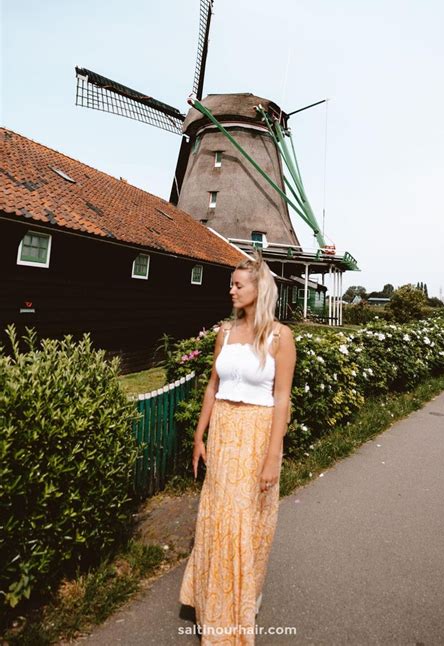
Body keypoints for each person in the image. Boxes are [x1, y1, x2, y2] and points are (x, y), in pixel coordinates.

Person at [179, 252, 296, 645]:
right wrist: (200, 436)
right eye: (230, 284)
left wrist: (273, 456)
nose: (230, 290)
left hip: (257, 434)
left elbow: (282, 400)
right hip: (225, 432)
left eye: (237, 284)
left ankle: (239, 605)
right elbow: (212, 387)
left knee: (247, 522)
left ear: (258, 289)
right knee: (219, 517)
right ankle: (211, 603)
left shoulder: (280, 337)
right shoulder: (224, 334)